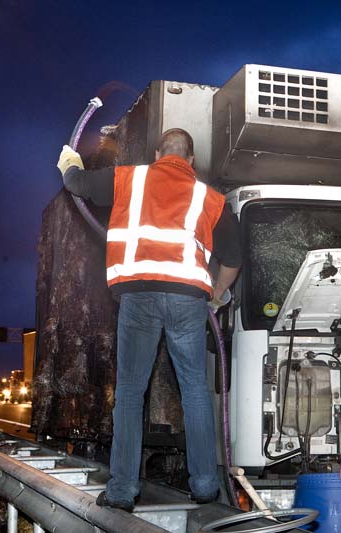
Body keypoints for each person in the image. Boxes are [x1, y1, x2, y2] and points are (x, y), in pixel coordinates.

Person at [56, 128, 241, 511]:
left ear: (158, 153)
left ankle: (122, 491)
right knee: (194, 389)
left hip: (137, 296)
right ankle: (206, 486)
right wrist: (218, 294)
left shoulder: (129, 178)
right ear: (190, 160)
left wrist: (70, 163)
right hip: (187, 300)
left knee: (129, 392)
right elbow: (234, 258)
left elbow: (78, 185)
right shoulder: (210, 199)